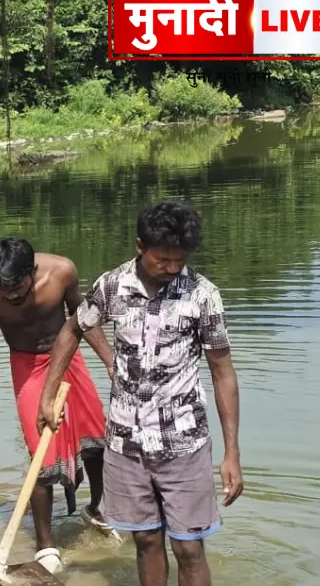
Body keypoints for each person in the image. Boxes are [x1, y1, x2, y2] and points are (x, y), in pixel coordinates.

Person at [38, 200, 243, 586]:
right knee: (147, 540)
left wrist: (232, 451)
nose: (169, 268)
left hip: (183, 443)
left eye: (177, 261)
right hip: (126, 444)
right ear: (139, 246)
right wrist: (48, 396)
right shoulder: (112, 286)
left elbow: (223, 372)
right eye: (161, 259)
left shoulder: (202, 296)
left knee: (189, 547)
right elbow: (72, 330)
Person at [0, 238, 115, 574]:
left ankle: (98, 509)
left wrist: (110, 361)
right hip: (28, 367)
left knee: (96, 441)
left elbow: (83, 319)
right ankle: (45, 544)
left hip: (70, 359)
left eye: (18, 288)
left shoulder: (62, 272)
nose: (12, 297)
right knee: (41, 455)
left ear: (32, 271)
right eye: (4, 291)